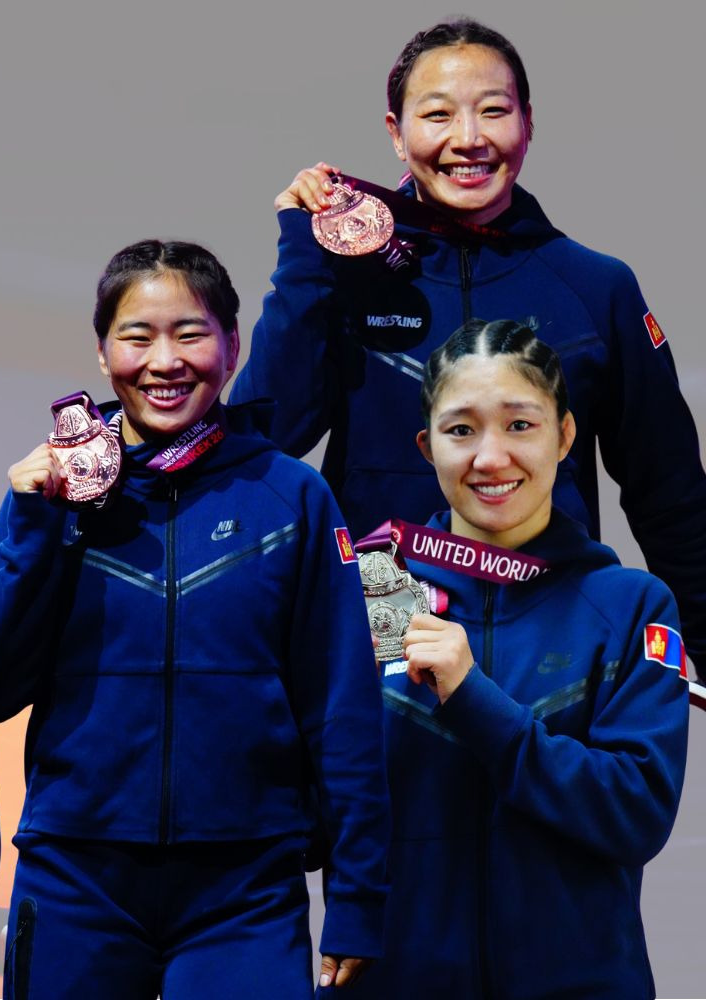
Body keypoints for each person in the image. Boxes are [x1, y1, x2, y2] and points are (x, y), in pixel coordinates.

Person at [0, 240, 388, 997]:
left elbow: (342, 705)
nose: (164, 362)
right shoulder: (52, 492)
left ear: (233, 346)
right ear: (102, 353)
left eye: (190, 334)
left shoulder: (291, 496)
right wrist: (35, 526)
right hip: (76, 874)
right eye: (137, 337)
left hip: (246, 887)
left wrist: (358, 894)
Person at [229, 17, 706, 647]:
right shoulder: (342, 282)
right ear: (396, 134)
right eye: (438, 115)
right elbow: (261, 440)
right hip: (383, 636)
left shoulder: (597, 288)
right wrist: (304, 261)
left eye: (493, 111)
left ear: (528, 122)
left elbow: (670, 494)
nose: (469, 139)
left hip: (550, 639)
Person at [356, 319, 687, 996]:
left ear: (564, 436)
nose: (490, 458)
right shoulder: (373, 589)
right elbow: (312, 801)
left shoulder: (631, 605)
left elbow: (637, 813)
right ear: (426, 446)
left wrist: (471, 695)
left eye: (519, 425)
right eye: (460, 430)